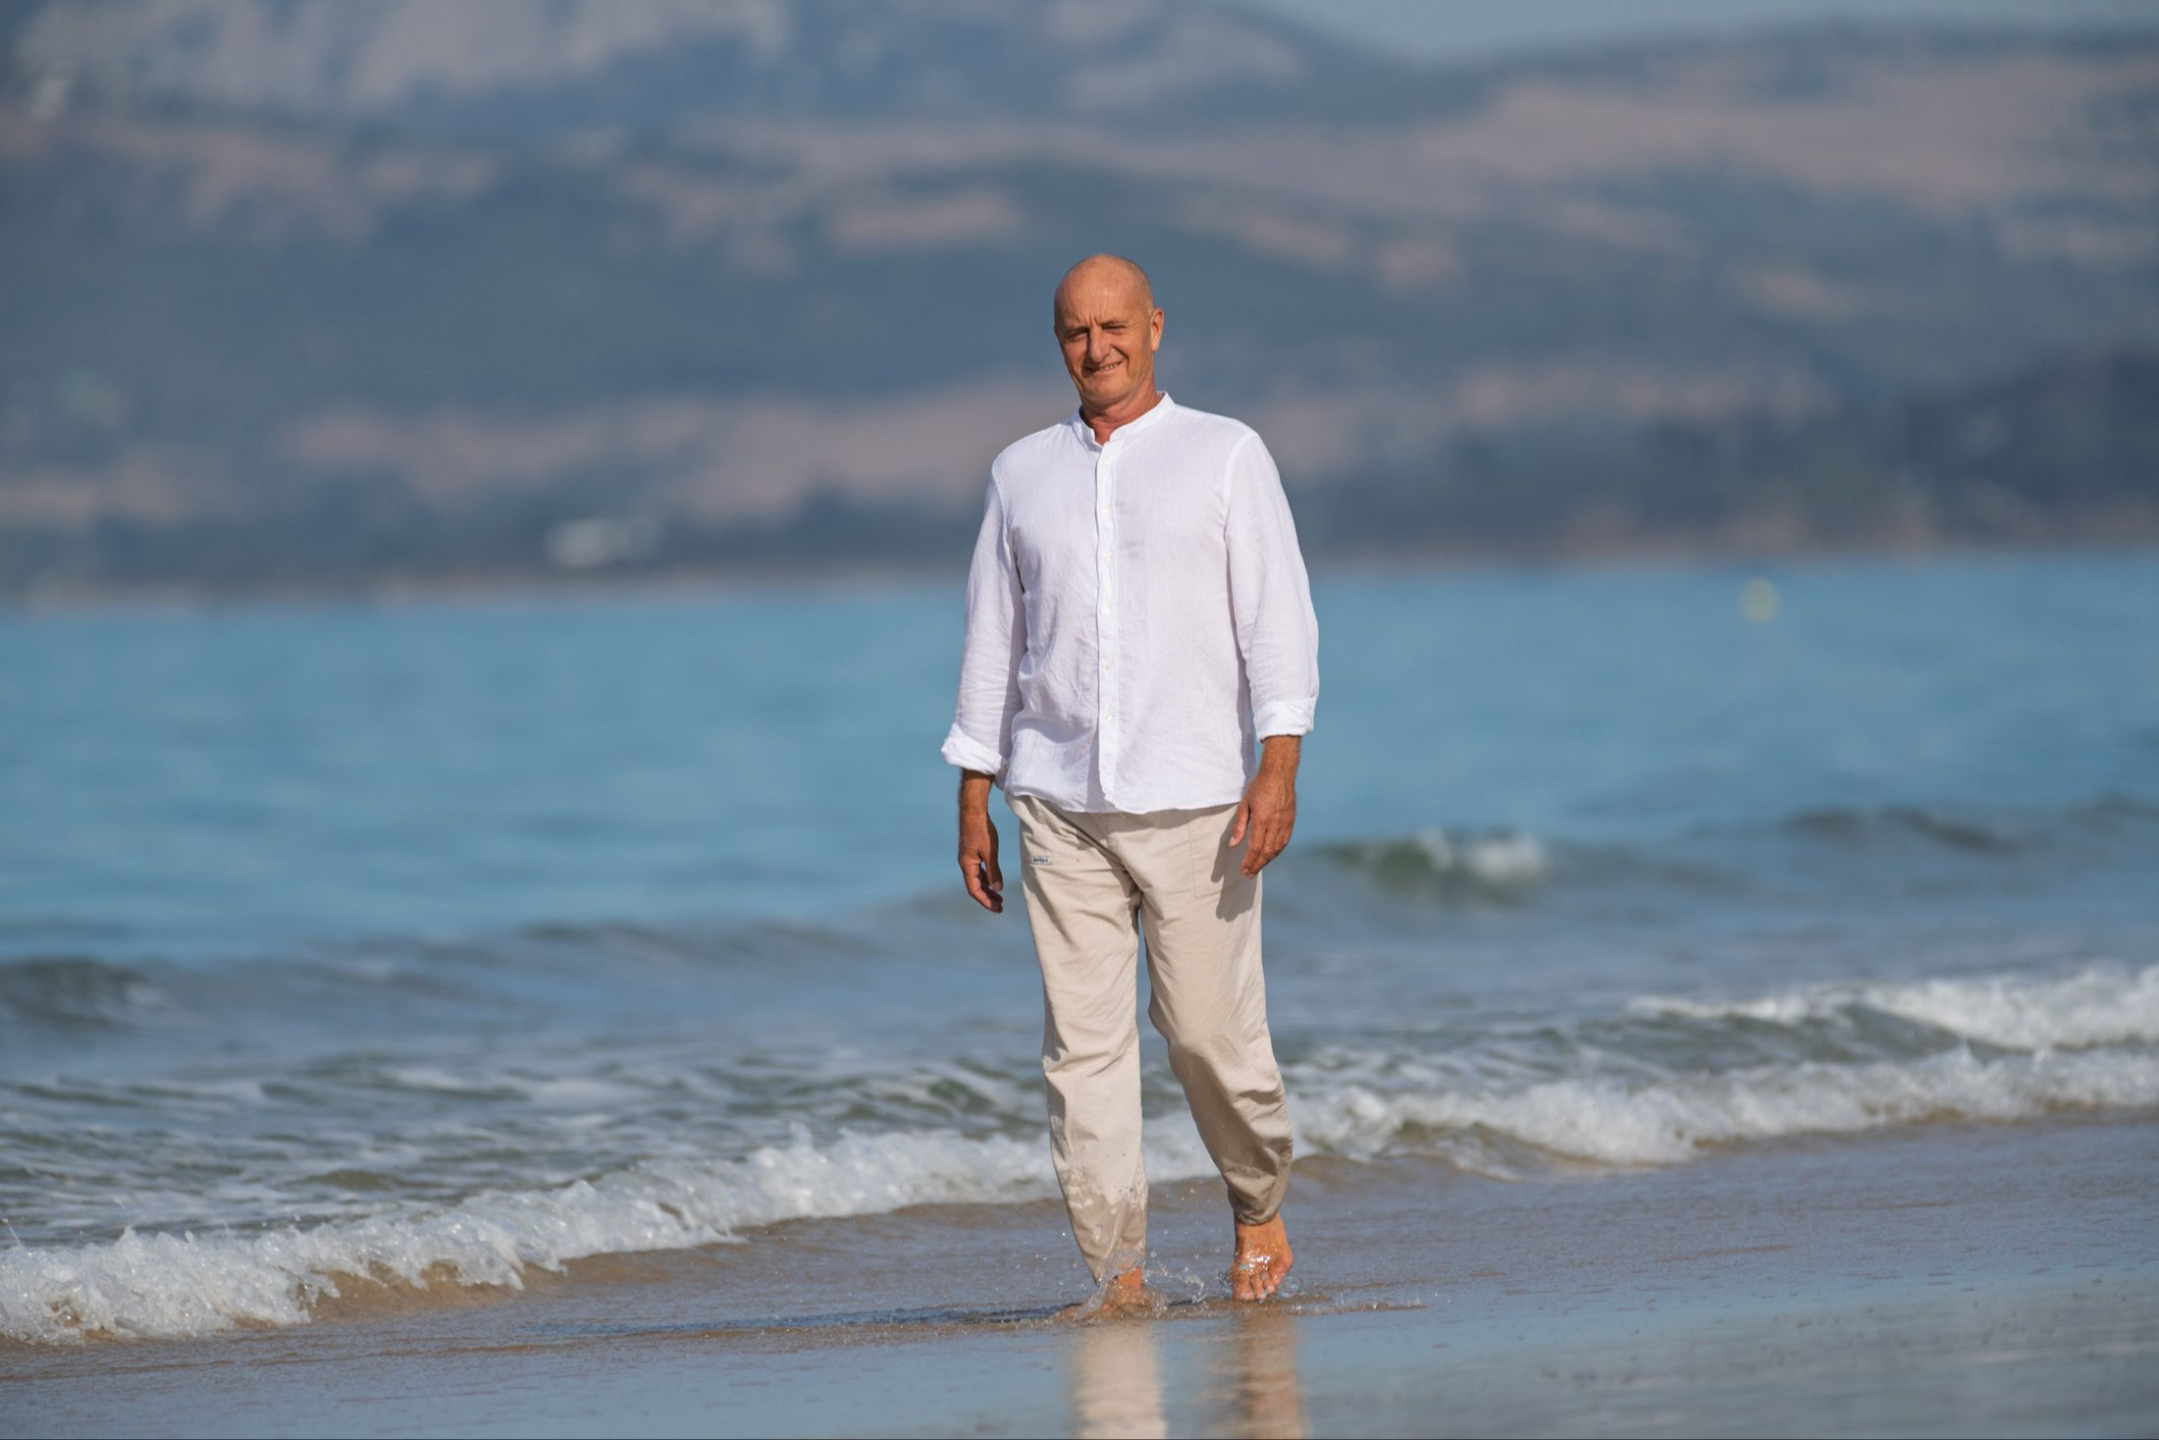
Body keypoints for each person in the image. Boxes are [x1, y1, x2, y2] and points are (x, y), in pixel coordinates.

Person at [941, 253, 1319, 1305]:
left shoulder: (1225, 453)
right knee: (1083, 1053)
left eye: (1114, 327)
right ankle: (1116, 1270)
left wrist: (1278, 763)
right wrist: (973, 788)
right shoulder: (1020, 473)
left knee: (1205, 1034)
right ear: (1057, 342)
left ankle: (1257, 1201)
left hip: (1198, 795)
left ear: (1154, 327)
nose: (1096, 348)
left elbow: (1277, 620)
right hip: (1055, 798)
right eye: (1076, 331)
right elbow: (993, 638)